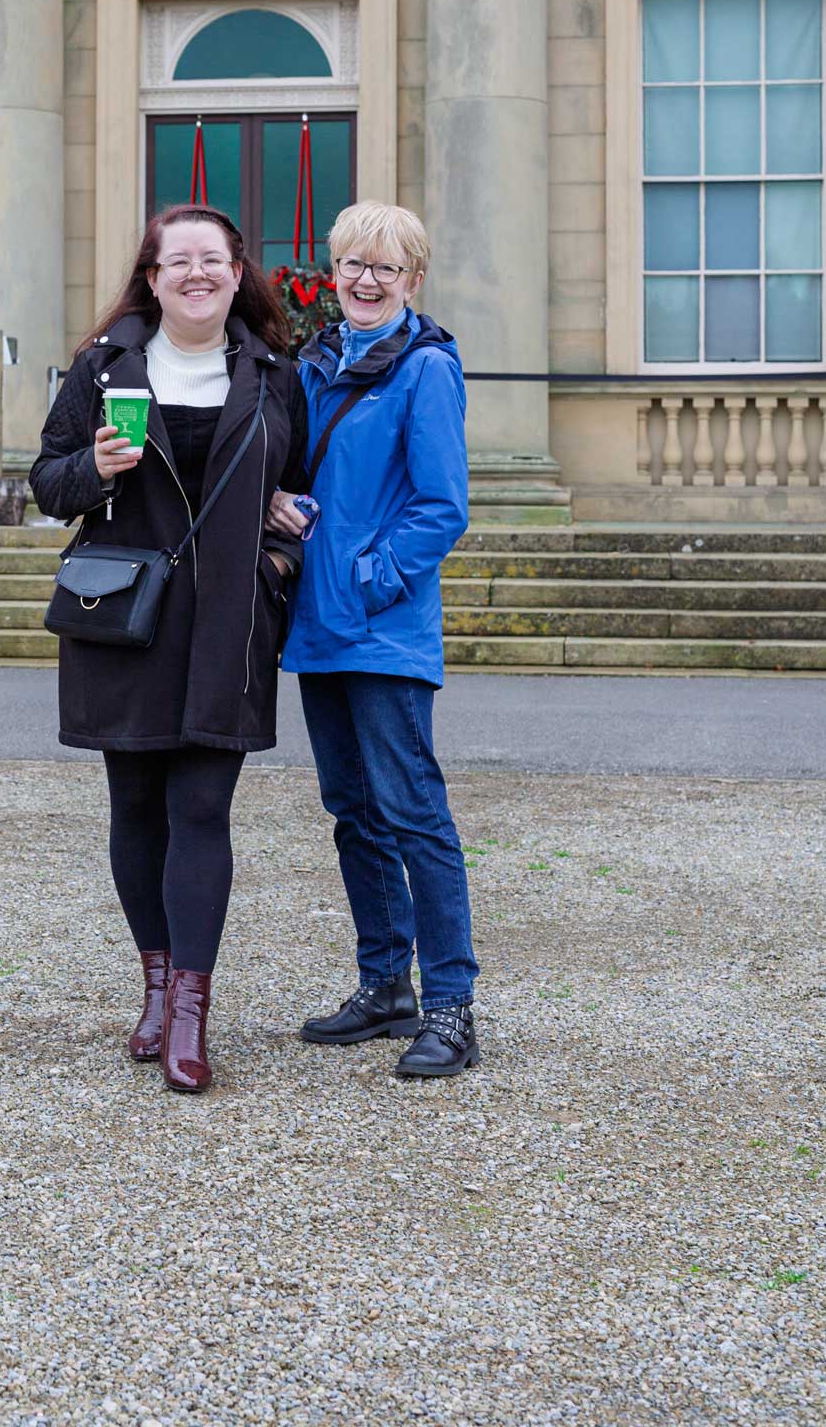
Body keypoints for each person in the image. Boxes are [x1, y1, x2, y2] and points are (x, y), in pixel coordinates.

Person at [30, 205, 309, 1093]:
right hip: (127, 617)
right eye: (176, 261)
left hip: (228, 620)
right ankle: (154, 987)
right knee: (136, 807)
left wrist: (277, 555)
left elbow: (304, 490)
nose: (196, 274)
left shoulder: (274, 376)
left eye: (212, 260)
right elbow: (46, 484)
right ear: (151, 278)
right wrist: (96, 470)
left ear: (237, 274)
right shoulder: (103, 367)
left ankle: (191, 1012)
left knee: (201, 808)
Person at [265, 200, 480, 1077]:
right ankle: (385, 985)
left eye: (383, 268)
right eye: (352, 263)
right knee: (352, 812)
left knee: (413, 813)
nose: (363, 279)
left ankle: (453, 1006)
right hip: (317, 625)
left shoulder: (424, 369)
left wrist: (370, 576)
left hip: (381, 627)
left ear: (411, 282)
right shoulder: (313, 363)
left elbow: (442, 507)